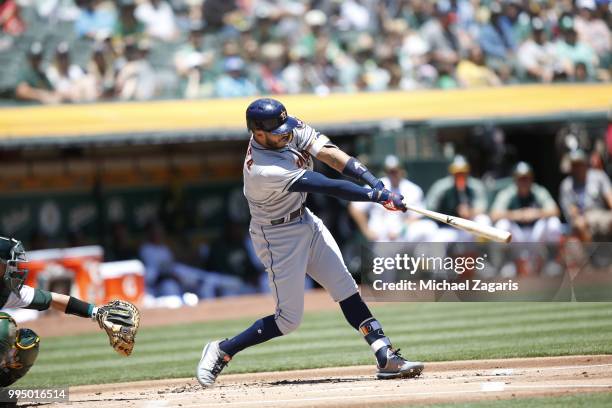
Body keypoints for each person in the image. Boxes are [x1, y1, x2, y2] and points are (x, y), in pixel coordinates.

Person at [196, 98, 424, 387]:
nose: (286, 134)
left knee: (345, 287)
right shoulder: (264, 169)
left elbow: (330, 154)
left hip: (304, 219)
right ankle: (222, 350)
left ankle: (386, 355)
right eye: (278, 131)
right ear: (258, 133)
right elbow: (326, 186)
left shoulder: (286, 129)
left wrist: (373, 182)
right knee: (288, 320)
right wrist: (374, 197)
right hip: (276, 236)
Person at [0, 237, 136, 386]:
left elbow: (54, 300)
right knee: (3, 326)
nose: (14, 268)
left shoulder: (7, 291)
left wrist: (99, 313)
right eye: (9, 264)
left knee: (27, 342)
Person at [349, 154, 437, 242]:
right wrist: (366, 230)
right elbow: (355, 208)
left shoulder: (412, 189)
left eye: (395, 170)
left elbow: (416, 216)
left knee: (430, 227)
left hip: (402, 233)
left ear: (402, 170)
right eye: (389, 171)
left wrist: (401, 230)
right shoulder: (376, 186)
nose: (392, 174)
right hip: (380, 235)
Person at [490, 162, 562, 242]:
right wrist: (517, 215)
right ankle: (502, 255)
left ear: (531, 178)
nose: (524, 182)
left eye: (526, 178)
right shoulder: (508, 193)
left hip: (535, 234)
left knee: (553, 223)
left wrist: (535, 213)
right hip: (516, 235)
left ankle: (551, 254)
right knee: (502, 225)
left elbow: (555, 211)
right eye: (521, 178)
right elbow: (494, 215)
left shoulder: (538, 191)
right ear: (515, 179)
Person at [426, 155, 490, 242]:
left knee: (483, 219)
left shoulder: (475, 186)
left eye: (463, 172)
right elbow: (430, 209)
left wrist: (469, 211)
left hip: (469, 226)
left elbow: (482, 208)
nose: (460, 175)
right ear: (451, 172)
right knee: (436, 238)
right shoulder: (441, 187)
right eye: (457, 172)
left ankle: (483, 250)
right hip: (448, 227)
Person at [559, 150, 612, 242]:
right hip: (581, 218)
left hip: (600, 215)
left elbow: (610, 197)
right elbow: (572, 211)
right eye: (574, 165)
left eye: (580, 164)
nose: (577, 168)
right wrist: (581, 218)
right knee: (580, 225)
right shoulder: (566, 185)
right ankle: (592, 253)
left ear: (585, 164)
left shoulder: (599, 176)